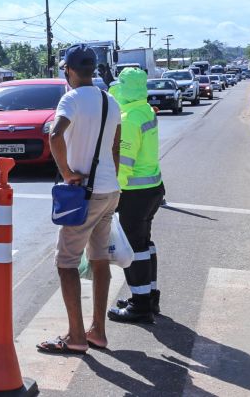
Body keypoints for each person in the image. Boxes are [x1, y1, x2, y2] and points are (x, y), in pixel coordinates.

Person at [37, 44, 121, 354]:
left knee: (66, 263)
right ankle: (97, 331)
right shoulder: (109, 100)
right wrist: (112, 181)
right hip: (110, 191)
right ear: (93, 70)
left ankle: (75, 336)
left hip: (84, 194)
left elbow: (55, 134)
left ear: (70, 70)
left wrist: (68, 172)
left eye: (64, 70)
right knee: (100, 260)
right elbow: (115, 148)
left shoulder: (70, 99)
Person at [107, 68, 166, 323]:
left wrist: (113, 193)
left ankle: (140, 305)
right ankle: (149, 297)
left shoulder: (130, 118)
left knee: (135, 248)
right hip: (153, 188)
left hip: (134, 192)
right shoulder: (146, 110)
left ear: (126, 87)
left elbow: (125, 163)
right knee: (145, 243)